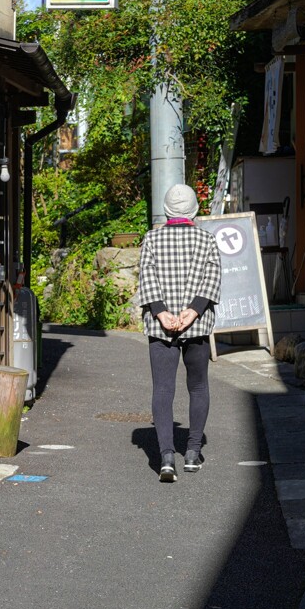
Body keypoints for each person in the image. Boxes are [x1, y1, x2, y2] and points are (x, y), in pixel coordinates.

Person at [137, 183, 222, 482]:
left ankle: (166, 457)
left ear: (166, 209)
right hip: (196, 324)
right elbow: (213, 277)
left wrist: (161, 312)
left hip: (161, 326)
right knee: (197, 387)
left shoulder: (152, 238)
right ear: (194, 209)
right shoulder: (206, 239)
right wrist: (193, 310)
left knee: (163, 389)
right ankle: (193, 452)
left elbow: (147, 277)